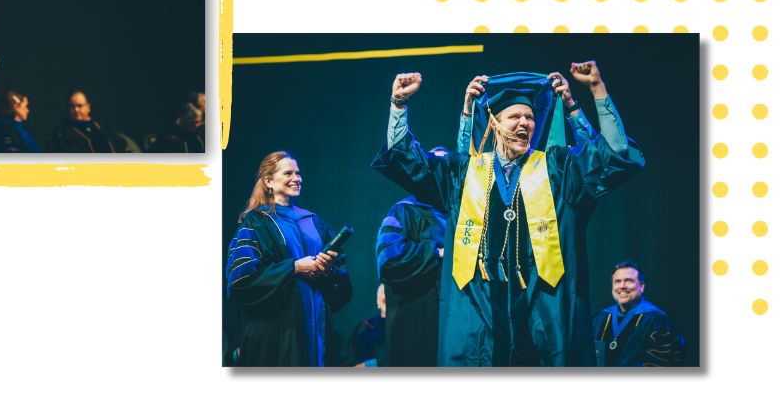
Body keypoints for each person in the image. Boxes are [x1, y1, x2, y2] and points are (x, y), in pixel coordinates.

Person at [371, 63, 645, 365]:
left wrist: (592, 92)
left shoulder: (557, 168)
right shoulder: (463, 173)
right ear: (494, 123)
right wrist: (399, 105)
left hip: (543, 309)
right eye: (515, 116)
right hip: (479, 310)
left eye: (530, 117)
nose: (524, 122)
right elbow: (408, 161)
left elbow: (613, 154)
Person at [225, 150, 352, 366]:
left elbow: (339, 282)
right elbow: (241, 281)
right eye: (288, 173)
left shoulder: (314, 222)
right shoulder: (256, 222)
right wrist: (294, 267)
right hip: (277, 333)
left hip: (316, 328)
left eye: (298, 173)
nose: (296, 178)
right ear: (269, 181)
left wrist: (328, 267)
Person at [376, 189, 449, 366]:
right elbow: (389, 261)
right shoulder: (404, 210)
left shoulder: (459, 214)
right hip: (416, 321)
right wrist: (437, 254)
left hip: (450, 322)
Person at [592, 261, 684, 366]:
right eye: (617, 281)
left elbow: (663, 363)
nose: (622, 286)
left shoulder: (656, 320)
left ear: (642, 286)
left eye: (628, 281)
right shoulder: (600, 318)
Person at [45, 91, 122, 153]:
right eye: (72, 106)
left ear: (88, 107)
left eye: (79, 105)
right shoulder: (61, 133)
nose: (76, 110)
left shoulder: (101, 126)